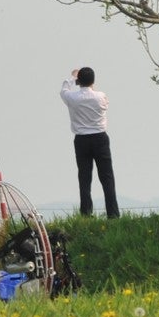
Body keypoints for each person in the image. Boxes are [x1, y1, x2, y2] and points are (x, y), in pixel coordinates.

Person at [61, 67, 119, 218]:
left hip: (81, 140)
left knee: (85, 178)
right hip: (100, 138)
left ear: (79, 81)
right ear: (93, 81)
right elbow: (104, 102)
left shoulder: (72, 98)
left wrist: (72, 78)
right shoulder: (101, 97)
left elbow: (64, 90)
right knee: (107, 177)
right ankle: (113, 214)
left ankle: (86, 213)